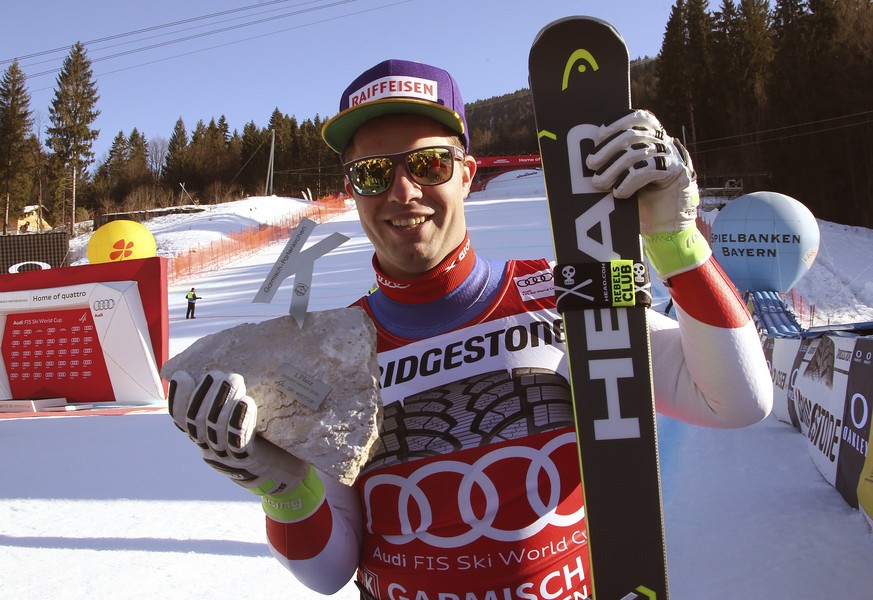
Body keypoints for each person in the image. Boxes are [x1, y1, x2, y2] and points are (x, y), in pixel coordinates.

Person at [168, 59, 772, 599]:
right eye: (373, 174)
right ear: (353, 192)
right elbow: (330, 573)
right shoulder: (335, 350)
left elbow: (737, 401)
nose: (402, 192)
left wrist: (674, 238)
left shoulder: (563, 290)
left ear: (467, 173)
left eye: (428, 163)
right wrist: (285, 490)